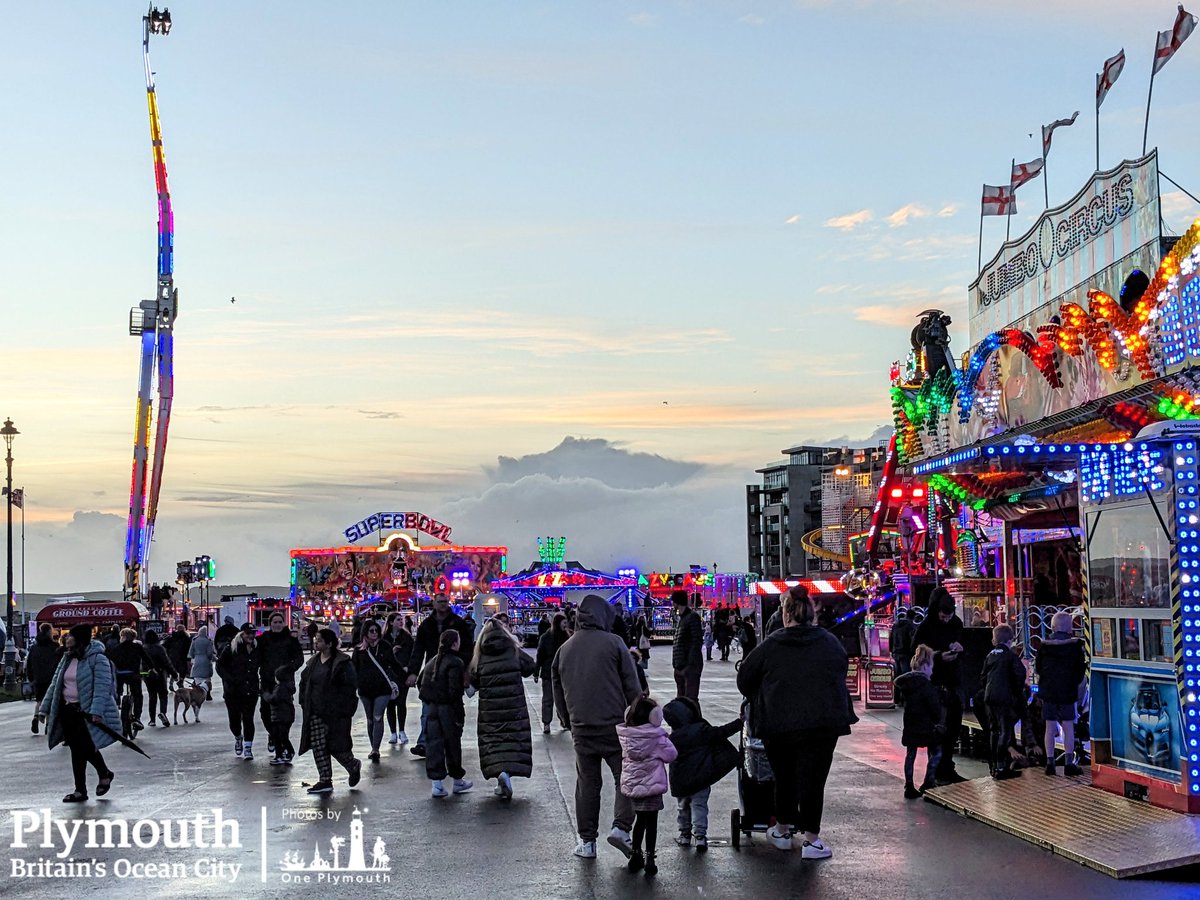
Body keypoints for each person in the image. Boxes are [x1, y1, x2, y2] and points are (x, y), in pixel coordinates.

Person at [736, 584, 856, 859]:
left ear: (785, 613)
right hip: (823, 723)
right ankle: (812, 841)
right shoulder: (829, 642)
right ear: (812, 613)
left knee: (785, 776)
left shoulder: (772, 645)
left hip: (779, 724)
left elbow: (745, 680)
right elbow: (841, 668)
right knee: (814, 780)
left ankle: (781, 830)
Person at [553, 594, 643, 861]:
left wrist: (567, 720)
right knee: (624, 776)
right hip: (615, 725)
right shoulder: (615, 644)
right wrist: (638, 715)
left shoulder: (564, 649)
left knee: (587, 783)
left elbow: (557, 690)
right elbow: (632, 686)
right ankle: (621, 827)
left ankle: (587, 842)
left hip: (582, 728)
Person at [39, 624, 120, 803]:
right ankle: (83, 788)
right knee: (77, 750)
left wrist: (96, 711)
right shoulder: (67, 658)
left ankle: (102, 775)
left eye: (71, 636)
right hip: (68, 710)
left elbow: (103, 686)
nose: (67, 638)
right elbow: (55, 684)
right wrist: (43, 709)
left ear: (80, 639)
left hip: (86, 711)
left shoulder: (97, 659)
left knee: (85, 748)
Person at [470, 614, 537, 798]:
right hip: (514, 707)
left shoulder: (480, 655)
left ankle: (501, 773)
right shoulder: (513, 650)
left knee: (493, 740)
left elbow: (473, 678)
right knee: (512, 739)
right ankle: (507, 772)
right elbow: (530, 667)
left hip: (490, 709)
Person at [662, 696, 740, 852]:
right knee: (700, 806)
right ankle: (700, 836)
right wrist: (739, 722)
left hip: (681, 781)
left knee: (683, 807)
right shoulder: (700, 730)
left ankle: (684, 834)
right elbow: (722, 732)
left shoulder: (673, 737)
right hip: (701, 778)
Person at [406, 593, 474, 758]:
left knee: (449, 708)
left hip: (452, 671)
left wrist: (464, 668)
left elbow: (467, 648)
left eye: (445, 602)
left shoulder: (458, 623)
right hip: (432, 671)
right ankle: (424, 743)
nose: (443, 605)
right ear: (434, 604)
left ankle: (445, 741)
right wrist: (413, 672)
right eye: (440, 602)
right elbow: (418, 650)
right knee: (427, 708)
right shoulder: (426, 625)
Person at [617, 696, 677, 877]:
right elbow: (671, 754)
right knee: (652, 823)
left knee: (640, 821)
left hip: (635, 787)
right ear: (655, 717)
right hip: (652, 786)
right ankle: (650, 858)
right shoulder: (656, 738)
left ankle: (635, 855)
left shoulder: (626, 737)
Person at [298, 627, 363, 795]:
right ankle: (325, 780)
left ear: (329, 644)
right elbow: (304, 682)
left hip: (335, 712)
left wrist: (345, 709)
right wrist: (304, 702)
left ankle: (352, 764)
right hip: (315, 711)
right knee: (319, 746)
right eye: (316, 640)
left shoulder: (342, 663)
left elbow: (350, 687)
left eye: (319, 640)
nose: (316, 642)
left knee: (336, 746)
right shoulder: (313, 662)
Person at [912, 587, 966, 784]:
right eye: (943, 616)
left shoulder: (957, 624)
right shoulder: (926, 627)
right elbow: (916, 653)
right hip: (935, 684)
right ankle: (935, 771)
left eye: (949, 616)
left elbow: (963, 642)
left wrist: (959, 648)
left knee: (953, 728)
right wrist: (939, 656)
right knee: (938, 730)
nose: (946, 620)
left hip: (954, 682)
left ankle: (947, 768)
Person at [418, 629, 472, 798]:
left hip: (432, 708)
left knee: (434, 745)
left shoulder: (433, 661)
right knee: (452, 744)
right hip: (447, 709)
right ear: (455, 643)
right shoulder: (455, 662)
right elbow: (455, 691)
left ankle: (437, 784)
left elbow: (420, 682)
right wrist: (459, 714)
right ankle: (457, 780)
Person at [1035, 611, 1087, 777]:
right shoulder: (1075, 646)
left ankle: (1050, 762)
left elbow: (1037, 668)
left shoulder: (1044, 645)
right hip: (1067, 690)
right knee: (1068, 725)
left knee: (1049, 726)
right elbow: (1080, 671)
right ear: (1070, 627)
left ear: (1053, 626)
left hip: (1048, 690)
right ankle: (1069, 763)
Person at [894, 644, 944, 799]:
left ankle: (909, 785)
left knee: (910, 754)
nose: (932, 670)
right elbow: (934, 708)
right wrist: (939, 720)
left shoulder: (906, 684)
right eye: (931, 667)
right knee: (936, 752)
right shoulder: (926, 686)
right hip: (926, 725)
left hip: (910, 724)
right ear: (926, 666)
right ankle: (928, 781)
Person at [980, 623, 1027, 780]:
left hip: (989, 697)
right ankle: (1002, 767)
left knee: (993, 731)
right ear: (1010, 640)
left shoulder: (989, 655)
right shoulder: (1010, 656)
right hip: (1004, 698)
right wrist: (1016, 692)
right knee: (1004, 731)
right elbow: (1020, 674)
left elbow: (982, 677)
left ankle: (994, 766)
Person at [256, 611, 303, 760]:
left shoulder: (290, 640)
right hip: (267, 682)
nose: (277, 625)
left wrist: (289, 668)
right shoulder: (263, 639)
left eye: (279, 622)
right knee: (265, 715)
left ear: (284, 623)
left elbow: (299, 658)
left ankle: (281, 746)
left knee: (283, 718)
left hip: (284, 684)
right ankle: (276, 738)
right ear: (270, 624)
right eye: (274, 622)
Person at [353, 620, 400, 762]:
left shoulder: (385, 646)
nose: (374, 633)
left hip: (382, 689)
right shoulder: (359, 650)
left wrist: (407, 677)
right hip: (365, 689)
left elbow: (393, 664)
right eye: (371, 631)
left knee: (378, 717)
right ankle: (373, 745)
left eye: (376, 631)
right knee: (370, 719)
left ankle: (375, 749)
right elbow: (353, 669)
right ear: (365, 633)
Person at [217, 626, 261, 760]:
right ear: (241, 634)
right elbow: (220, 666)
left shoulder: (256, 649)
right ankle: (238, 736)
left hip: (250, 690)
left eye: (253, 633)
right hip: (233, 691)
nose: (251, 636)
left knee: (248, 719)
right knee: (234, 720)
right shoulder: (231, 648)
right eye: (248, 633)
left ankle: (248, 747)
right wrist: (230, 679)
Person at [108, 627, 154, 730]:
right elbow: (146, 658)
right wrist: (152, 669)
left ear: (122, 637)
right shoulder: (137, 647)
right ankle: (137, 718)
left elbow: (110, 661)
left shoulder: (116, 648)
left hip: (119, 675)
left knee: (117, 692)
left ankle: (118, 703)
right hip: (133, 674)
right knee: (137, 695)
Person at [382, 612, 415, 745]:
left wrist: (409, 668)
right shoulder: (384, 639)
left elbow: (413, 655)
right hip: (388, 675)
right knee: (390, 703)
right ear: (391, 622)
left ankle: (401, 730)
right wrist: (392, 651)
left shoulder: (407, 638)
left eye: (401, 620)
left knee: (401, 702)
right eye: (398, 620)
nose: (401, 622)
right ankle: (393, 733)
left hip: (402, 674)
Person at [534, 612, 570, 734]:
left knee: (560, 699)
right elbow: (540, 656)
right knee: (550, 699)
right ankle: (548, 722)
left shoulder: (567, 637)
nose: (566, 625)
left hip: (559, 673)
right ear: (558, 623)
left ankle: (561, 721)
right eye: (564, 622)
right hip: (550, 673)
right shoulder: (548, 637)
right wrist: (536, 671)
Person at [27, 623, 63, 735]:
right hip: (52, 677)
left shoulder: (34, 648)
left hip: (38, 678)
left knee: (39, 700)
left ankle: (36, 718)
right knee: (50, 701)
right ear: (50, 632)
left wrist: (31, 678)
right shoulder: (55, 647)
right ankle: (48, 724)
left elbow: (29, 664)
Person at [671, 590, 703, 701]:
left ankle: (695, 718)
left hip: (689, 667)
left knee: (690, 700)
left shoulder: (692, 617)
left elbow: (696, 642)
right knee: (682, 701)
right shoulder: (683, 619)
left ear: (676, 602)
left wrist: (689, 664)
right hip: (680, 666)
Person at [262, 664, 297, 765]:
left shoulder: (280, 688)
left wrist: (265, 694)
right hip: (285, 716)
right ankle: (281, 754)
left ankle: (285, 753)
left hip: (280, 716)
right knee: (280, 736)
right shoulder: (286, 687)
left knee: (280, 736)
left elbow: (273, 699)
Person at [142, 630, 177, 728]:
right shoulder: (159, 648)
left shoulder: (143, 648)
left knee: (152, 696)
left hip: (148, 674)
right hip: (160, 674)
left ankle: (152, 719)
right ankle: (163, 713)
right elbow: (167, 662)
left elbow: (141, 662)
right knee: (163, 695)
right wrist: (174, 673)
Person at [188, 624, 217, 699]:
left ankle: (198, 693)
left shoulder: (195, 640)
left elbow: (191, 652)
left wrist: (193, 658)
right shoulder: (208, 641)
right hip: (206, 661)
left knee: (197, 678)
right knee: (207, 678)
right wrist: (212, 658)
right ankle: (208, 694)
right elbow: (209, 653)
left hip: (197, 660)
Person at [891, 607, 916, 682]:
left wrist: (891, 650)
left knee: (897, 675)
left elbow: (891, 638)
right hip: (905, 653)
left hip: (895, 652)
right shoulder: (910, 626)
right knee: (905, 676)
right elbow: (912, 640)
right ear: (913, 617)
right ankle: (904, 692)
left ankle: (896, 692)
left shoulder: (895, 625)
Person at [163, 624, 191, 690]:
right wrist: (189, 658)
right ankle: (181, 682)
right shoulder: (186, 638)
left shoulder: (172, 637)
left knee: (174, 670)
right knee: (183, 671)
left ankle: (171, 683)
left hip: (172, 657)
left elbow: (165, 645)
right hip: (182, 657)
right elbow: (189, 648)